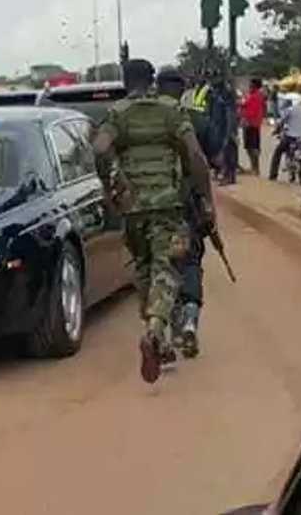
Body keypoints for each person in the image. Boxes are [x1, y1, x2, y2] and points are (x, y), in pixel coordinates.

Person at [93, 59, 214, 384]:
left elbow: (100, 148)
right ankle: (155, 329)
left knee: (144, 266)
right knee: (168, 268)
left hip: (132, 207)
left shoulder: (118, 113)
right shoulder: (170, 111)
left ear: (125, 80)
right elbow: (196, 157)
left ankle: (158, 342)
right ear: (152, 82)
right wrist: (206, 202)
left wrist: (113, 185)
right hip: (168, 206)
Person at [157, 67, 212, 359]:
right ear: (182, 89)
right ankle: (189, 320)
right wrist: (207, 205)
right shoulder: (195, 121)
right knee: (189, 261)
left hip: (146, 209)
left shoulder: (142, 121)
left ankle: (161, 332)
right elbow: (204, 160)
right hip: (184, 206)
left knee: (157, 266)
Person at [269, 88, 301, 182]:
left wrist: (276, 130)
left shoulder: (290, 110)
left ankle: (273, 175)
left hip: (291, 137)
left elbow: (281, 122)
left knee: (278, 152)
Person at [240, 78, 266, 176]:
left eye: (250, 85)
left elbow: (249, 109)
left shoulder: (255, 96)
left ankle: (255, 168)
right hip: (253, 124)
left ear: (255, 86)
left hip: (251, 124)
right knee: (251, 147)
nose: (249, 87)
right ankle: (254, 167)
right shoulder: (256, 96)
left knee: (252, 147)